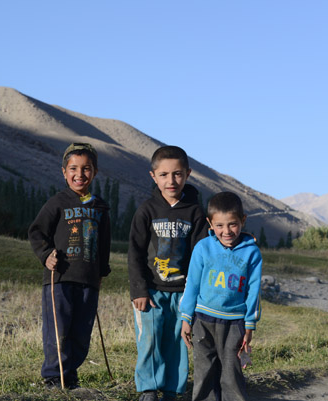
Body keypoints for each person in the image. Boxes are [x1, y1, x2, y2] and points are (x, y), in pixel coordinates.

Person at [28, 142, 111, 389]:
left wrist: (102, 271)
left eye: (86, 169)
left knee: (81, 332)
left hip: (88, 279)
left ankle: (70, 373)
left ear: (94, 172)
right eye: (73, 168)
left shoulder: (100, 207)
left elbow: (104, 242)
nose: (79, 174)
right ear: (64, 172)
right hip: (59, 277)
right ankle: (54, 376)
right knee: (58, 330)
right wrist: (45, 255)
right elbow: (37, 232)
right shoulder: (57, 202)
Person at [128, 145, 208, 401]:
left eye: (177, 174)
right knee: (149, 340)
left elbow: (200, 256)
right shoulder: (147, 211)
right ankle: (148, 389)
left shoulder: (196, 212)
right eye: (164, 175)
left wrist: (195, 294)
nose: (171, 180)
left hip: (183, 292)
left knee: (179, 341)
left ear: (188, 174)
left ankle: (173, 390)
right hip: (151, 291)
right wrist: (139, 290)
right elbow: (135, 253)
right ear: (153, 176)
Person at [179, 191, 263, 401]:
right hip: (203, 320)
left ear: (243, 221)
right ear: (210, 223)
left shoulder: (252, 253)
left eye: (232, 224)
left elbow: (254, 290)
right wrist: (186, 318)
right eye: (219, 226)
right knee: (204, 371)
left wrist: (250, 325)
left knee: (231, 373)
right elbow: (192, 284)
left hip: (234, 323)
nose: (226, 231)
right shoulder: (203, 248)